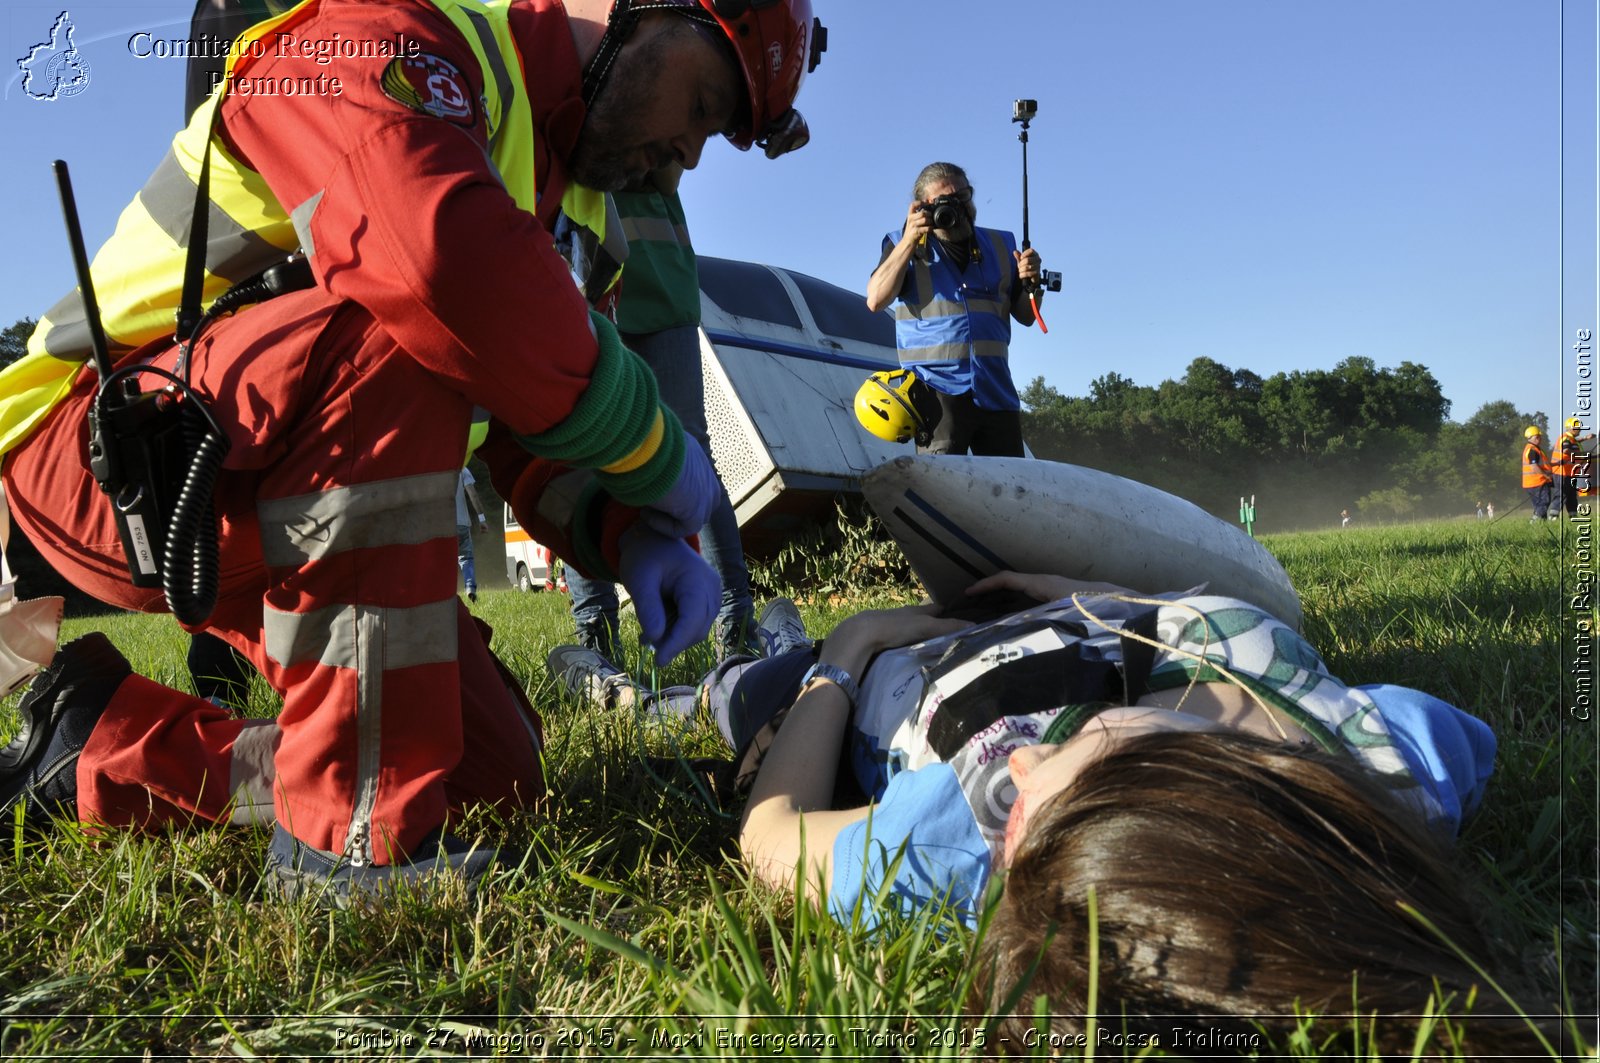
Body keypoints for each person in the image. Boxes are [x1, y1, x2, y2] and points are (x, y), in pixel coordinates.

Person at [0, 0, 825, 902]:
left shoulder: (576, 204)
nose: (690, 155)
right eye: (703, 104)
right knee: (408, 313)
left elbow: (523, 417)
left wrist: (621, 526)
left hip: (245, 481)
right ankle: (344, 847)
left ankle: (93, 745)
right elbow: (436, 268)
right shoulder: (384, 36)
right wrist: (652, 444)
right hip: (99, 460)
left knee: (488, 774)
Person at [555, 569, 1541, 1050]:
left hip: (871, 677)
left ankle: (663, 683)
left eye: (1017, 808)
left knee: (744, 685)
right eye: (1065, 760)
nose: (1018, 765)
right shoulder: (1386, 759)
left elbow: (770, 832)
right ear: (1209, 790)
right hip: (1003, 605)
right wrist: (1048, 586)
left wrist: (844, 656)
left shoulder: (961, 841)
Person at [562, 168, 758, 663]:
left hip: (655, 287)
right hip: (578, 277)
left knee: (688, 448)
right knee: (576, 452)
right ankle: (596, 634)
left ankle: (734, 615)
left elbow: (671, 161)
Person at [865, 162, 1047, 458]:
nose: (959, 210)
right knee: (945, 488)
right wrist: (909, 241)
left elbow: (1026, 316)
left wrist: (1033, 284)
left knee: (1011, 489)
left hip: (995, 389)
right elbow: (875, 300)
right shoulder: (901, 244)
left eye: (964, 198)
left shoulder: (1002, 245)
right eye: (945, 203)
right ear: (923, 208)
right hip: (936, 394)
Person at [456, 467, 490, 604]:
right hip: (462, 523)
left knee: (444, 560)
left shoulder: (433, 468)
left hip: (441, 525)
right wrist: (482, 519)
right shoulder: (462, 469)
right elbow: (473, 495)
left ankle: (446, 594)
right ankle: (470, 588)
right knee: (466, 558)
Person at [1552, 416, 1594, 518]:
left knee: (1571, 496)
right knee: (1562, 495)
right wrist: (1583, 454)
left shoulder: (1570, 439)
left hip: (1569, 473)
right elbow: (1566, 450)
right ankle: (1553, 516)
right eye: (1578, 427)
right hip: (1562, 473)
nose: (1580, 429)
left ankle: (1573, 516)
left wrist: (1585, 438)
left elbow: (1573, 443)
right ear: (1572, 428)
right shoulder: (1566, 438)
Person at [1522, 425, 1554, 520]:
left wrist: (1556, 464)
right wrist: (1545, 476)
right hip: (1538, 482)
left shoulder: (1533, 449)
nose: (1539, 439)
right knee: (1544, 502)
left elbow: (1542, 464)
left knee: (1538, 505)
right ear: (1530, 437)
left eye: (1539, 437)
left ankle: (1541, 526)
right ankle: (1534, 521)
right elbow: (1534, 466)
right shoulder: (1532, 450)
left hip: (1531, 483)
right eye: (1537, 437)